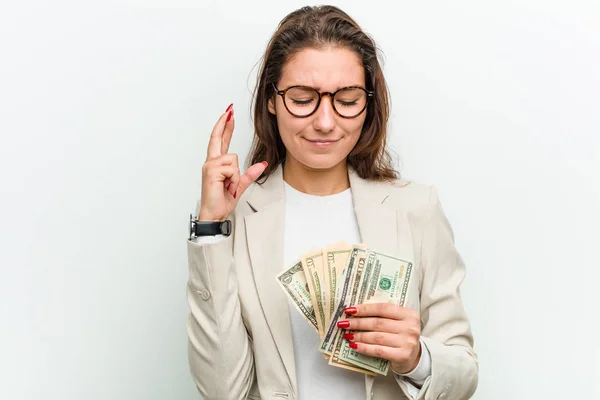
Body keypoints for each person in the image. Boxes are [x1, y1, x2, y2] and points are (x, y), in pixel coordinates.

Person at [186, 5, 478, 400]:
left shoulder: (416, 208)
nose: (325, 121)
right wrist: (210, 232)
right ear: (271, 101)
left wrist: (417, 358)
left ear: (368, 103)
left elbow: (463, 374)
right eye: (303, 98)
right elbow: (221, 390)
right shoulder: (236, 219)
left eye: (347, 98)